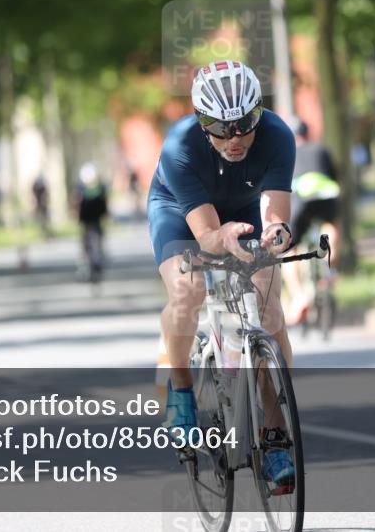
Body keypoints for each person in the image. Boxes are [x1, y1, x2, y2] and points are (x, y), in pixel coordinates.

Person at [148, 60, 297, 491]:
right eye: (220, 127)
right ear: (201, 121)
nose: (235, 138)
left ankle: (274, 433)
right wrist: (222, 238)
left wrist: (276, 235)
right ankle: (180, 389)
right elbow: (209, 236)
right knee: (187, 287)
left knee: (268, 304)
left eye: (245, 124)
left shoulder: (278, 136)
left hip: (245, 209)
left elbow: (275, 217)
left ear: (259, 113)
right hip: (181, 212)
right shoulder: (180, 146)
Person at [282, 117, 340, 323]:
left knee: (289, 249)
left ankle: (298, 296)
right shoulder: (321, 149)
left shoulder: (287, 154)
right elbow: (333, 175)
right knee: (331, 225)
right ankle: (330, 268)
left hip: (303, 198)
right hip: (326, 193)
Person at [74, 163, 109, 283]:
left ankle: (94, 263)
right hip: (90, 220)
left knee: (91, 243)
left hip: (91, 220)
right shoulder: (99, 188)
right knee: (91, 243)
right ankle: (92, 264)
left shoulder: (85, 188)